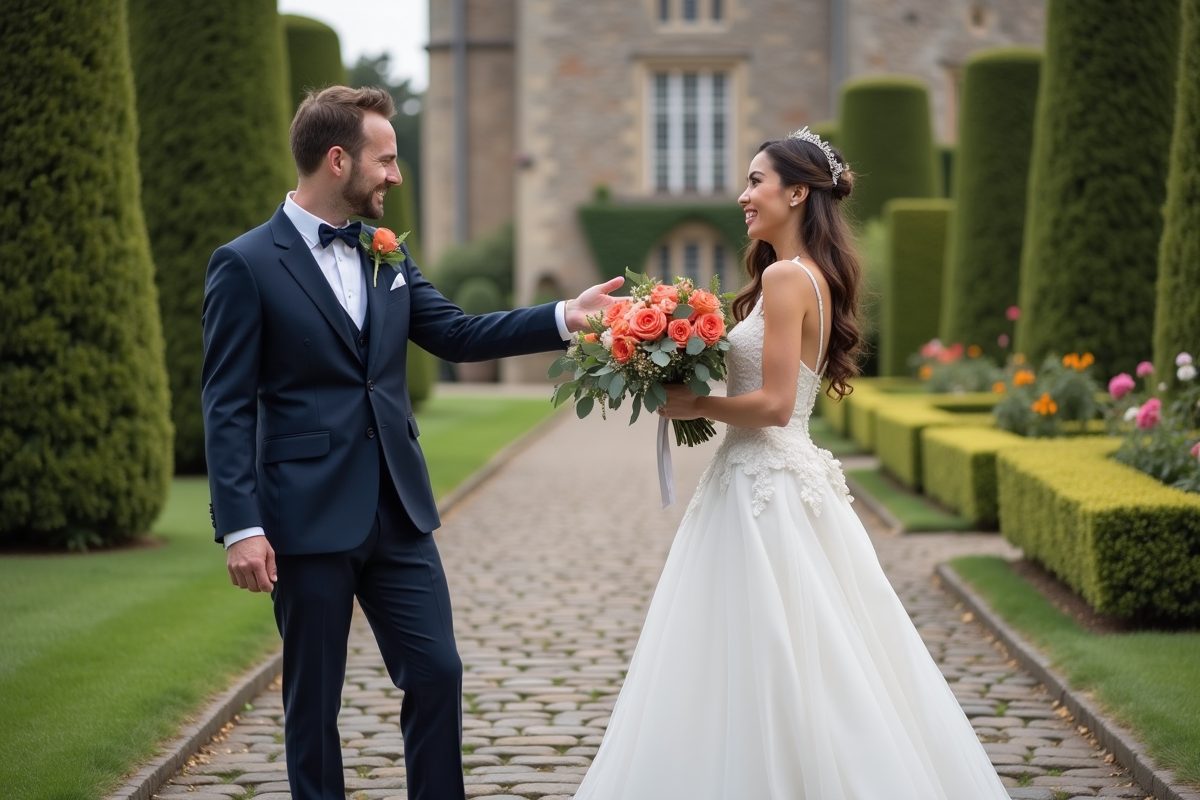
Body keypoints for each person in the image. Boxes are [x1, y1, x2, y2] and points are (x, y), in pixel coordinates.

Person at [201, 85, 621, 800]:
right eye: (386, 160)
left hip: (398, 510)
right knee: (314, 703)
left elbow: (456, 333)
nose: (397, 175)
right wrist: (242, 526)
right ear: (338, 160)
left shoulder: (385, 254)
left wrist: (564, 315)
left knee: (438, 674)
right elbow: (227, 402)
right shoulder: (245, 264)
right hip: (305, 515)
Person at [571, 129, 1011, 799]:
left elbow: (776, 405)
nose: (744, 195)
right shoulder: (805, 276)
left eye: (756, 181)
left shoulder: (783, 276)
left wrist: (697, 405)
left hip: (764, 484)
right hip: (774, 479)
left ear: (797, 192)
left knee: (759, 657)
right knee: (806, 657)